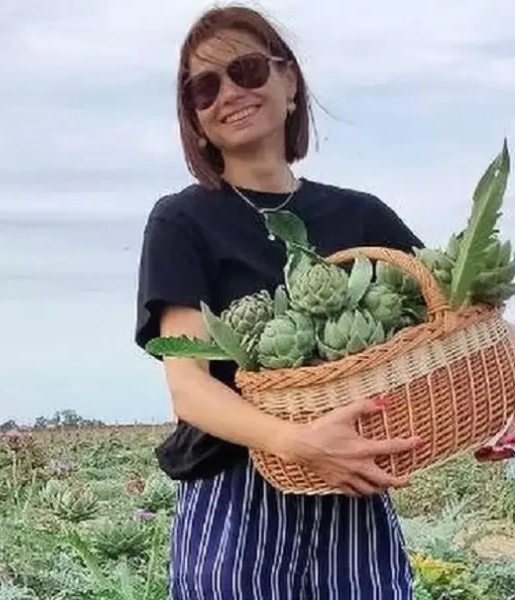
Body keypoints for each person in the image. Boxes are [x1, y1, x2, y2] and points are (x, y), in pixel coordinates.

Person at [134, 5, 428, 599]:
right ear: (193, 116)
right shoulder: (183, 221)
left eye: (245, 69)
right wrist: (296, 442)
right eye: (204, 87)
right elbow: (188, 388)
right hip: (236, 495)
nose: (229, 94)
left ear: (288, 81)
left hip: (353, 497)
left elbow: (447, 321)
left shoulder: (362, 216)